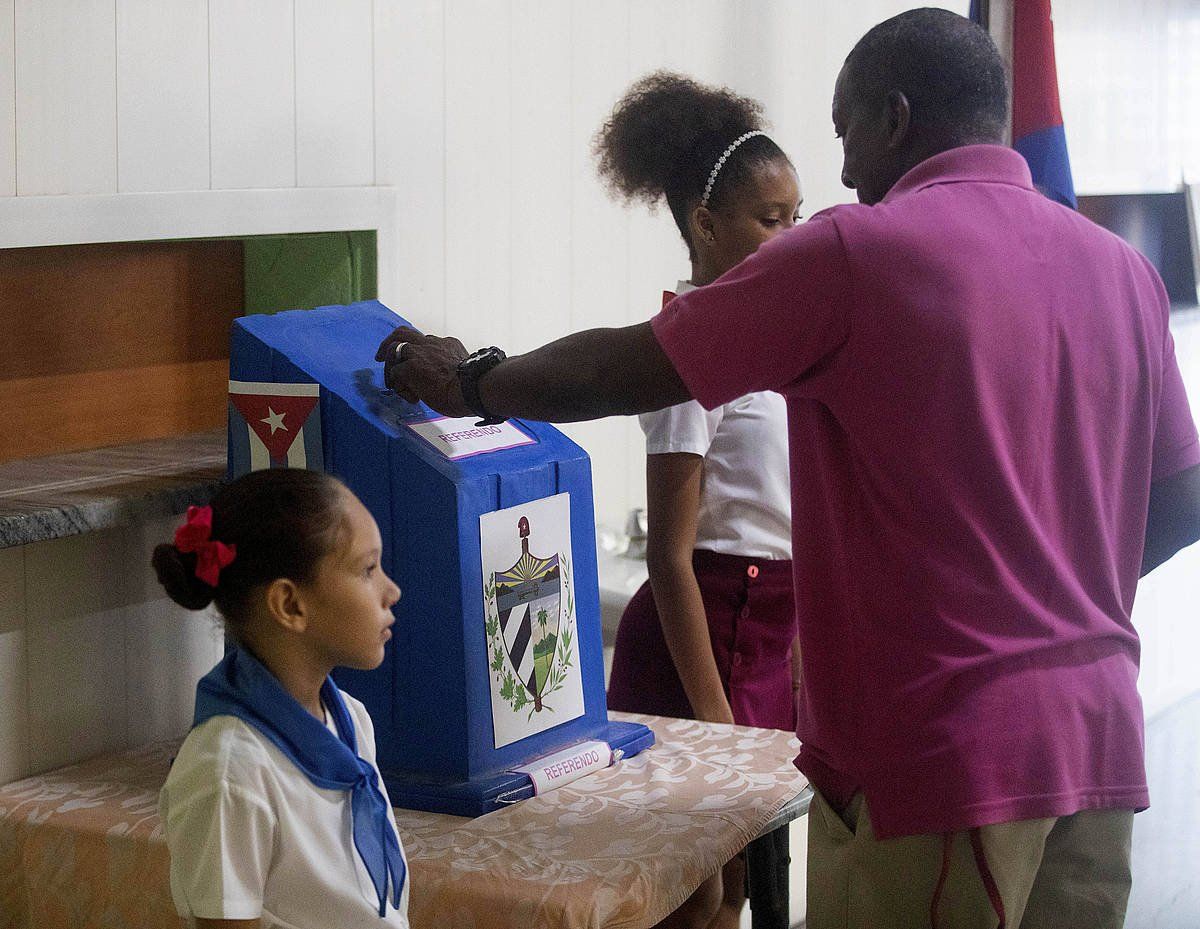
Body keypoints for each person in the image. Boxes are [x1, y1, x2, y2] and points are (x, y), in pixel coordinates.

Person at [377, 9, 1200, 928]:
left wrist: (475, 380)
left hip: (948, 762)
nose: (843, 170)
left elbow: (632, 363)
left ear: (894, 116)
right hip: (1099, 742)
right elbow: (1182, 495)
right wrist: (1048, 609)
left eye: (846, 131)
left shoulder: (861, 251)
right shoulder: (1124, 271)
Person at [594, 71, 802, 929]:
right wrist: (716, 725)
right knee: (694, 890)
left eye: (797, 216)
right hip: (698, 637)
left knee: (745, 882)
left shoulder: (788, 342)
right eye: (768, 219)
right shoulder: (689, 359)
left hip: (769, 630)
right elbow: (673, 562)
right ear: (706, 227)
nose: (791, 235)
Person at [154, 468, 409, 929]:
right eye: (368, 570)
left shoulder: (351, 719)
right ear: (290, 605)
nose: (392, 591)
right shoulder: (230, 772)